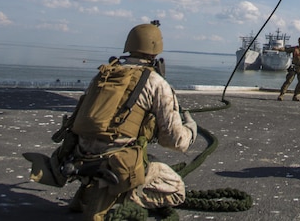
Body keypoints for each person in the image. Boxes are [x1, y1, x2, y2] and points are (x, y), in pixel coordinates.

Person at [24, 23, 198, 219]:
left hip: (79, 157)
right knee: (176, 190)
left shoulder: (104, 75)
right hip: (116, 163)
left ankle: (91, 189)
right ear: (156, 48)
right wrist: (190, 129)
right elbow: (174, 141)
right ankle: (123, 196)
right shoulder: (156, 83)